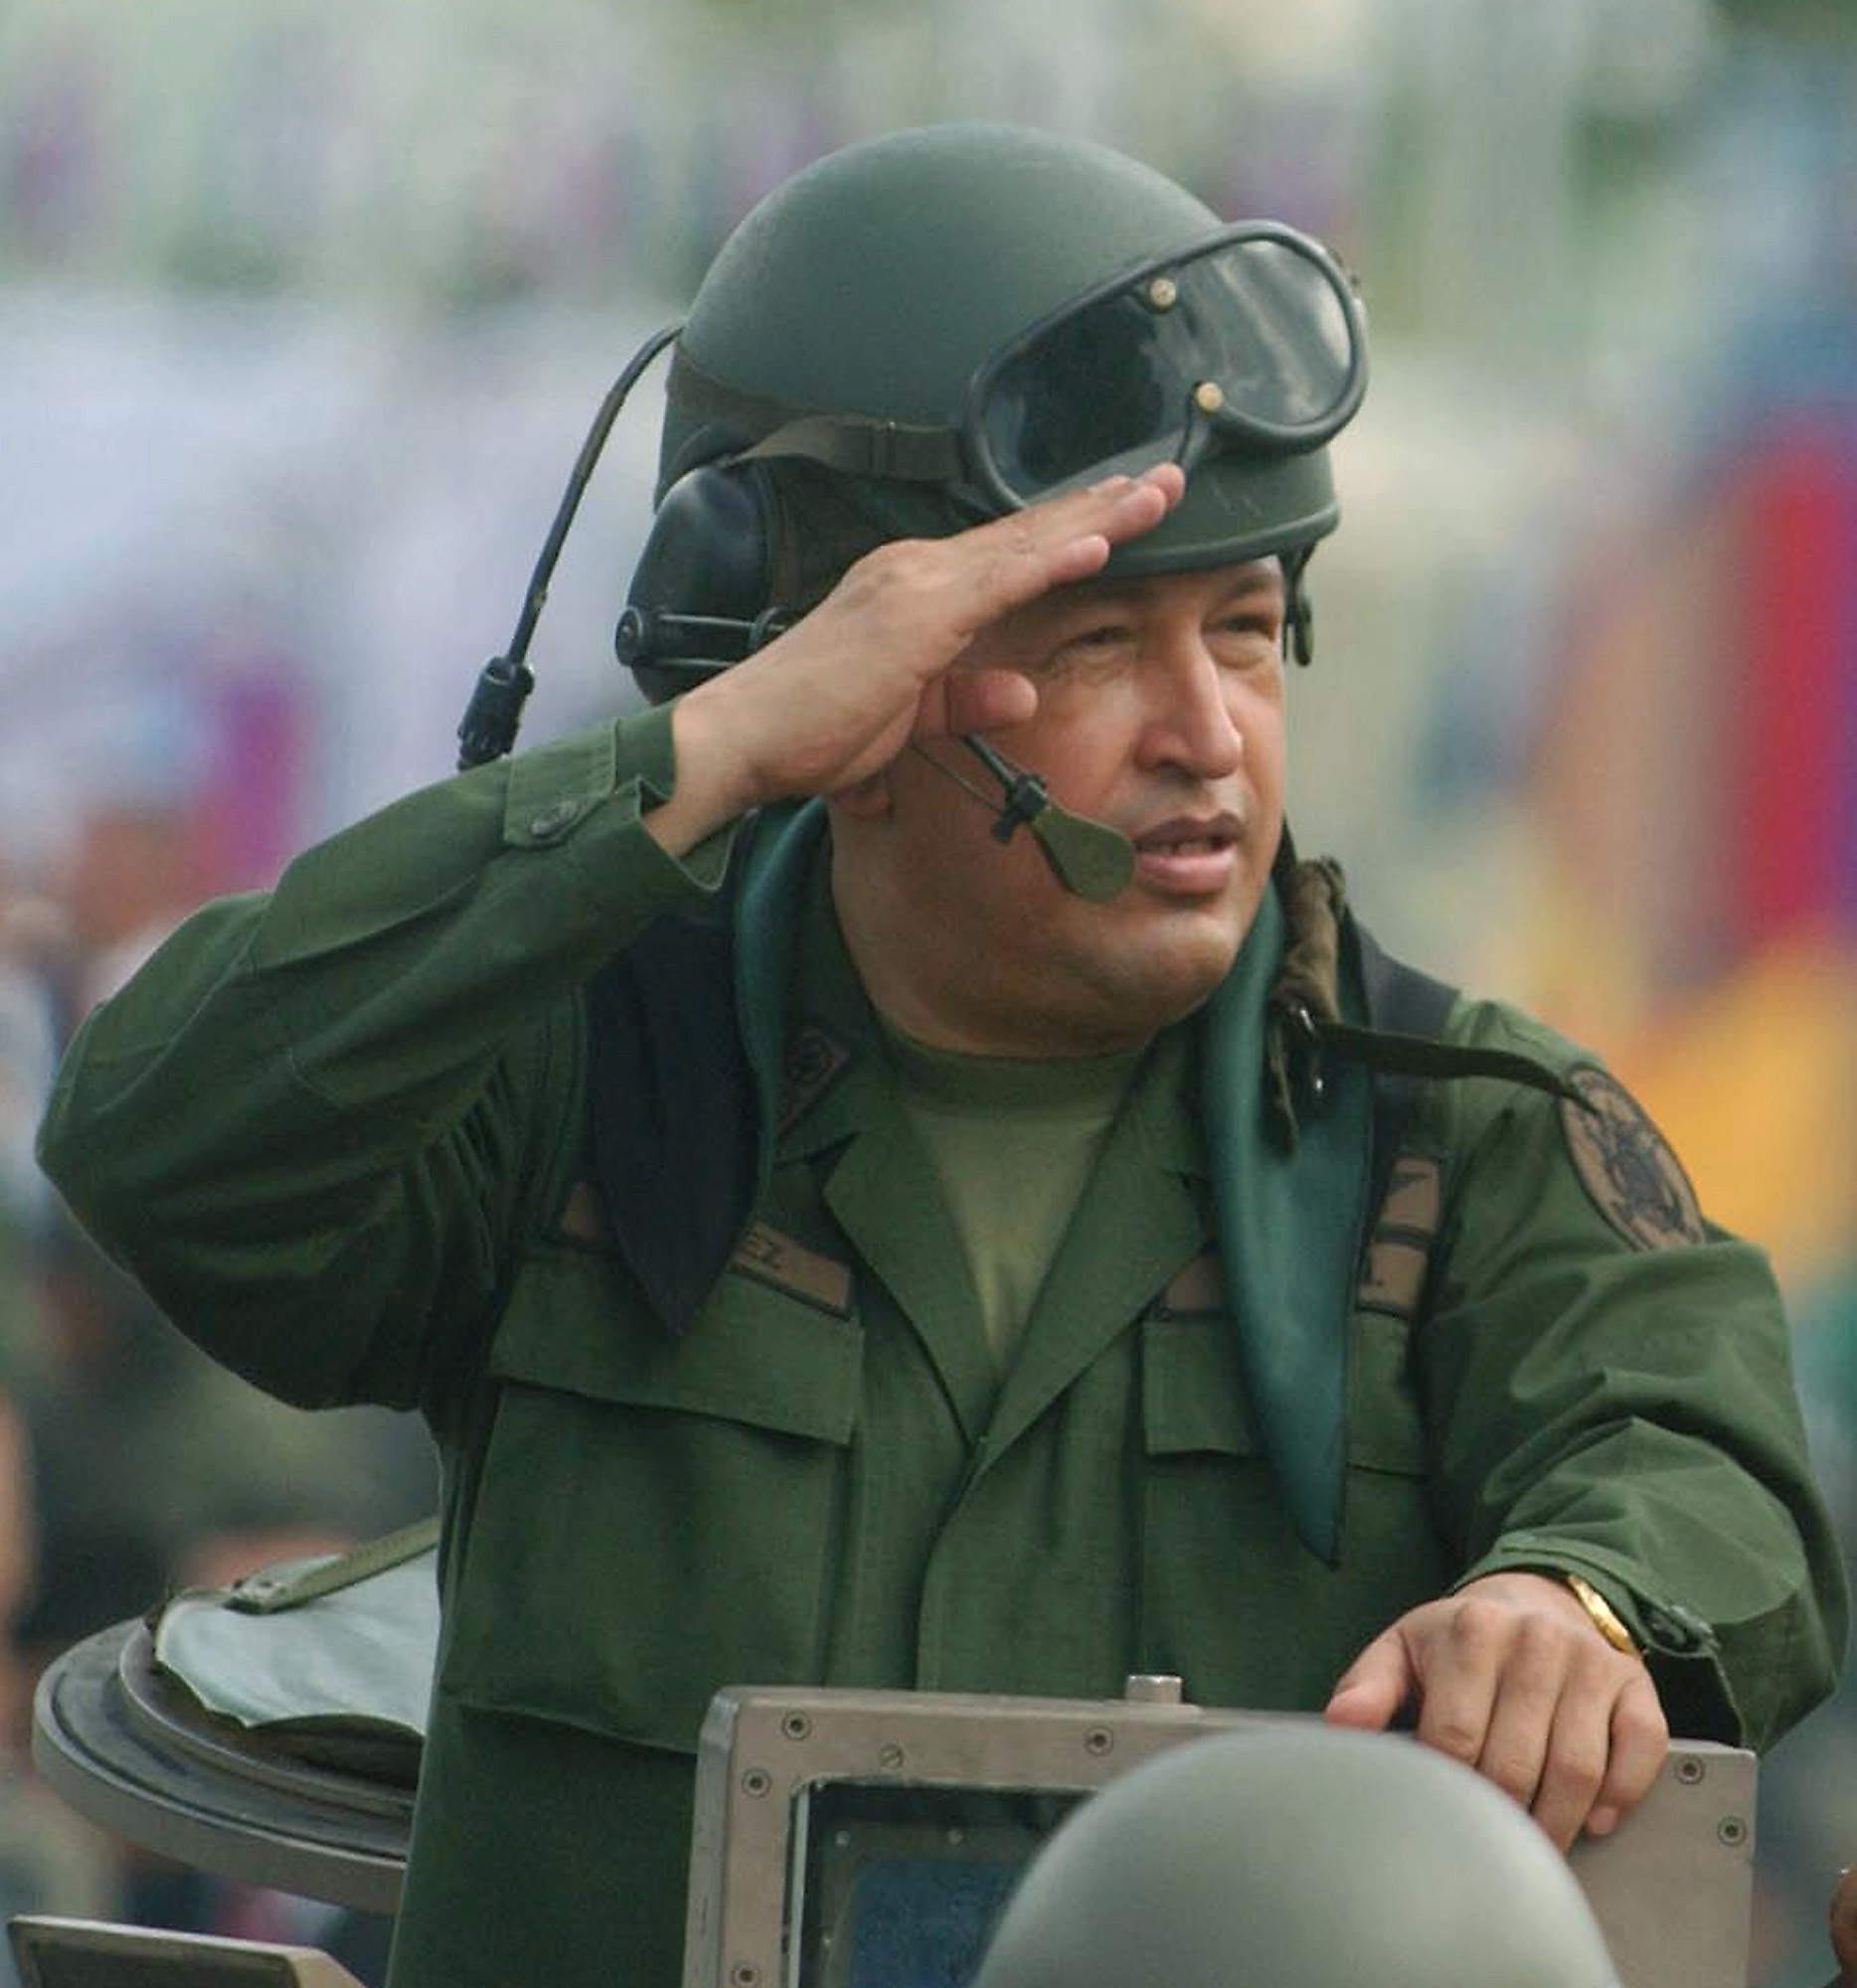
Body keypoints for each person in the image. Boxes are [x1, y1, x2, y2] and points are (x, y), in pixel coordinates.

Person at [34, 124, 1846, 1988]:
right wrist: (688, 766)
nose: (1208, 736)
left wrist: (1580, 1605)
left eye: (1243, 632)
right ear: (845, 670)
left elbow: (1701, 1457)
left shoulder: (1453, 1144)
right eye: (1090, 647)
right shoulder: (577, 1081)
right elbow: (167, 1136)